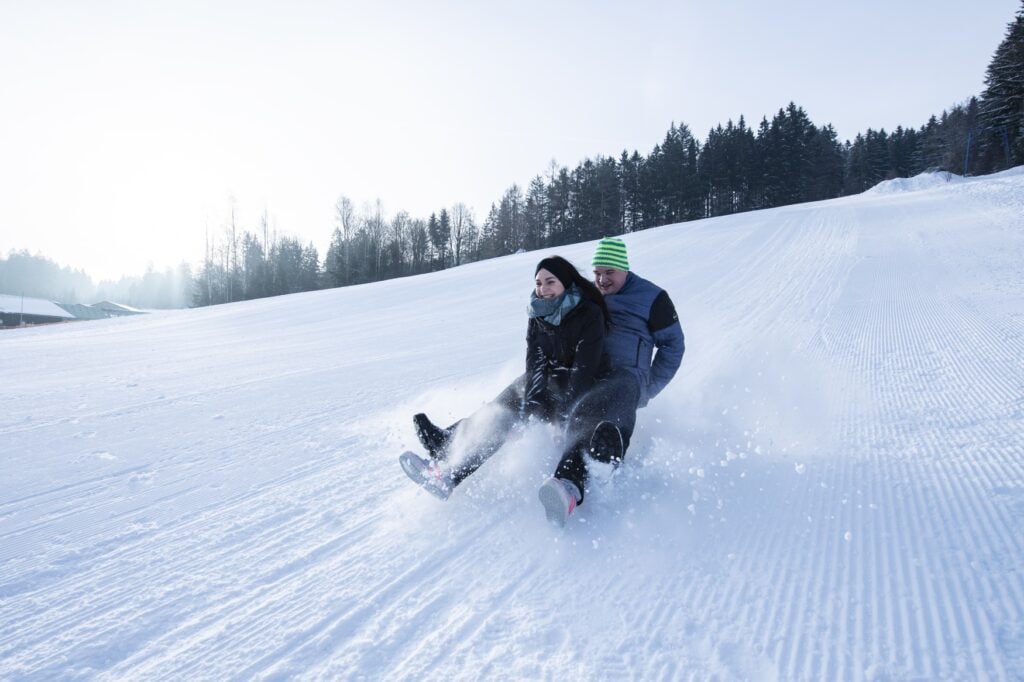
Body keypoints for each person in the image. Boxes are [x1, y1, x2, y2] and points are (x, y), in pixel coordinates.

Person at [400, 255, 613, 523]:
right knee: (503, 410)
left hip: (588, 387)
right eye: (538, 283)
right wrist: (530, 410)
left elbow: (585, 370)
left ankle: (567, 487)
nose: (543, 289)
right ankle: (450, 470)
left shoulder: (587, 313)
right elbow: (535, 364)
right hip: (552, 382)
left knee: (580, 425)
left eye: (550, 282)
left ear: (566, 283)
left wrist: (561, 418)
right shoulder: (537, 313)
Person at [539, 237, 685, 523]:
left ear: (624, 269)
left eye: (609, 273)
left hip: (626, 377)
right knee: (528, 386)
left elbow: (673, 345)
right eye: (597, 274)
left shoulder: (653, 297)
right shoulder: (589, 296)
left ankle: (569, 485)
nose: (602, 281)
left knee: (601, 403)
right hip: (586, 368)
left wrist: (648, 387)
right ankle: (450, 457)